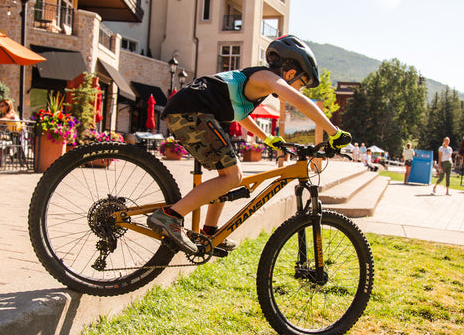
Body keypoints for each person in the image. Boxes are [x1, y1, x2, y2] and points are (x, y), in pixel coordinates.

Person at [147, 35, 352, 254]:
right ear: (290, 73)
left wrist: (268, 138)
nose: (298, 90)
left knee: (228, 175)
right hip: (192, 112)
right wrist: (334, 132)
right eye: (300, 84)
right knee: (232, 176)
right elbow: (299, 102)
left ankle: (209, 233)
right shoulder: (266, 77)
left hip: (193, 111)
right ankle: (170, 217)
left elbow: (242, 115)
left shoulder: (256, 85)